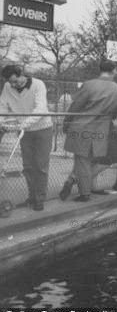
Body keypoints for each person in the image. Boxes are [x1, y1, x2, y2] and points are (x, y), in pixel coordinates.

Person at [62, 61, 117, 202]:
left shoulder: (89, 84)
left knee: (81, 160)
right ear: (114, 70)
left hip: (81, 126)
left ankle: (84, 193)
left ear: (100, 69)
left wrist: (66, 123)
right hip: (102, 128)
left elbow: (76, 106)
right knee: (91, 160)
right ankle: (83, 189)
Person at [0, 65, 53, 211]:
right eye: (10, 82)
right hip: (24, 132)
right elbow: (3, 107)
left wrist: (22, 124)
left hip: (43, 129)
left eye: (15, 81)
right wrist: (2, 121)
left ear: (22, 74)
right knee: (28, 167)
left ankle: (39, 199)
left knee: (40, 166)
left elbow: (40, 109)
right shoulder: (7, 86)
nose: (13, 85)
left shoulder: (38, 84)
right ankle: (32, 197)